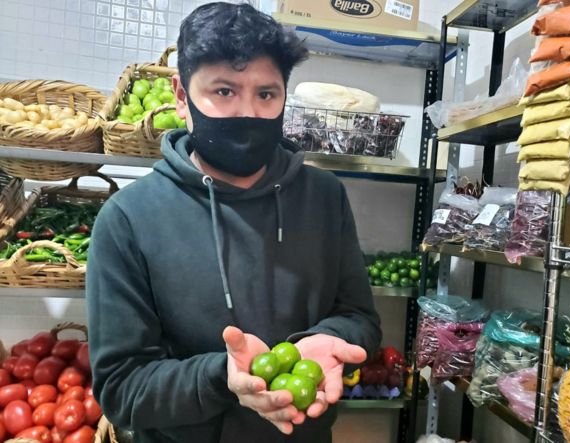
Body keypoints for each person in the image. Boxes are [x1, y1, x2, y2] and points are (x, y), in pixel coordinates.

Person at [86, 2, 382, 442]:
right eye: (224, 92)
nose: (249, 112)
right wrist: (221, 376)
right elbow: (121, 388)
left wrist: (326, 341)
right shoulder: (128, 219)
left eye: (266, 94)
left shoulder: (325, 197)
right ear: (182, 97)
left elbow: (359, 317)